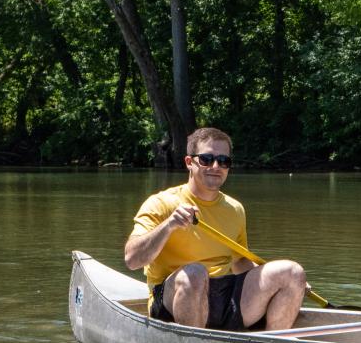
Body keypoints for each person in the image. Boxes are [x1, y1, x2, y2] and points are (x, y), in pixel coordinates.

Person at [124, 127, 307, 331]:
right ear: (189, 163)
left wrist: (289, 285)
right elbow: (132, 260)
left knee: (292, 272)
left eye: (223, 160)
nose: (215, 166)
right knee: (194, 273)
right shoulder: (161, 203)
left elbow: (240, 262)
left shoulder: (235, 209)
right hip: (173, 299)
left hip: (223, 297)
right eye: (206, 159)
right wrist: (169, 225)